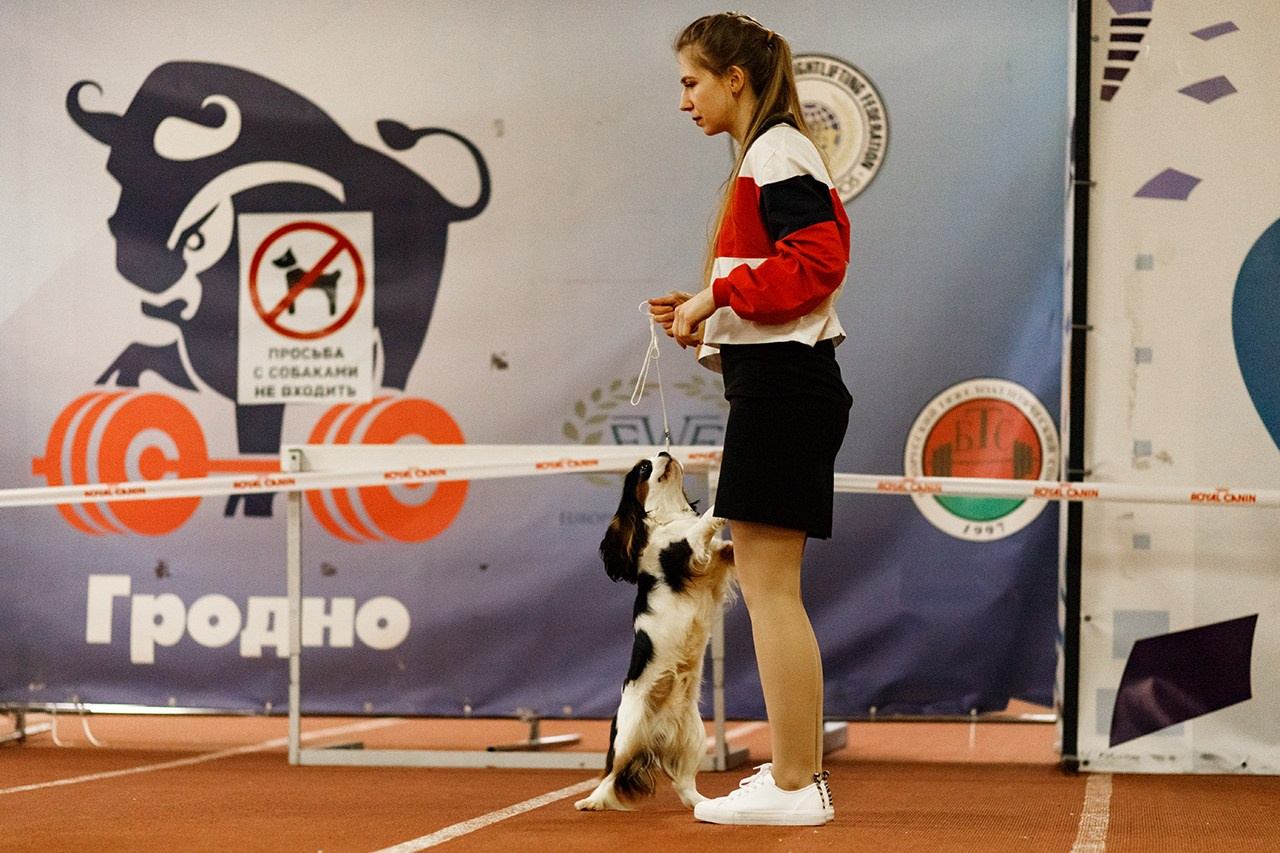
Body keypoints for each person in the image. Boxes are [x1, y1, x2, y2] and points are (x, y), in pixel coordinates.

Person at [648, 12, 852, 827]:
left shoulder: (776, 151)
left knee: (772, 595)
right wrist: (709, 316)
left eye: (691, 82)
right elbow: (788, 279)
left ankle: (797, 783)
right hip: (778, 386)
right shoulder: (769, 154)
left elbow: (818, 264)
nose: (683, 101)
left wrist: (714, 297)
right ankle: (796, 777)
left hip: (787, 391)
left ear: (736, 78)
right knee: (774, 592)